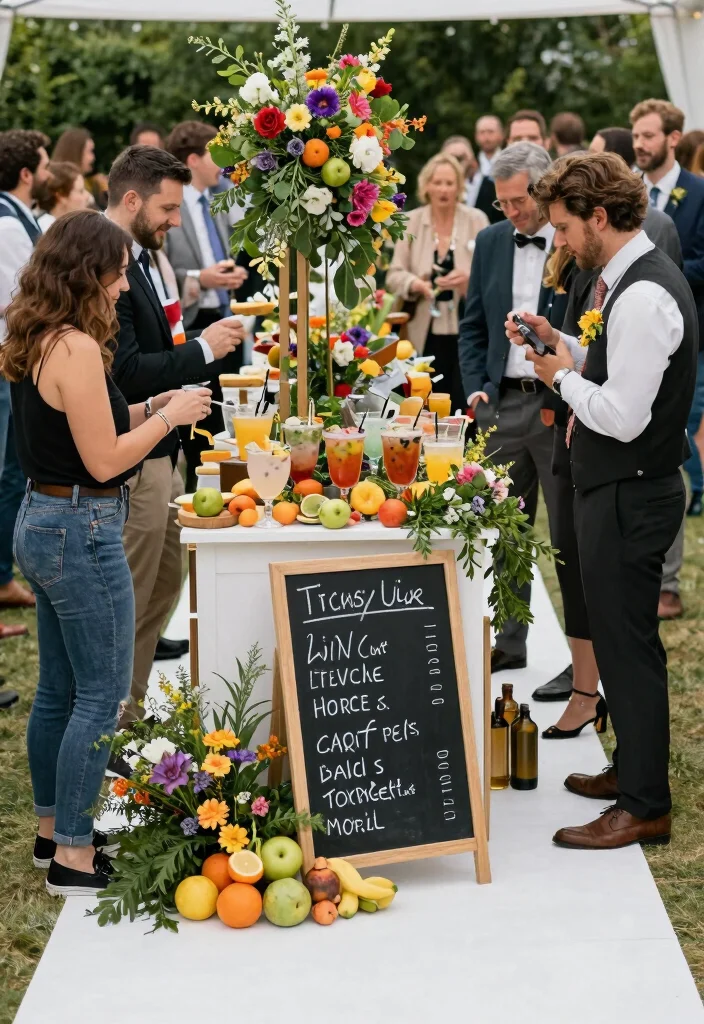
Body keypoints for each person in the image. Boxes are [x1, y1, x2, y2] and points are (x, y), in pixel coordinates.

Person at [2, 209, 211, 892]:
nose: (126, 286)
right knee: (102, 694)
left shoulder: (41, 334)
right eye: (119, 273)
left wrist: (157, 406)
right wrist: (171, 421)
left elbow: (97, 426)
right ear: (89, 271)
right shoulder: (80, 349)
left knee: (59, 690)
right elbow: (103, 458)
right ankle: (74, 854)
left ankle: (49, 834)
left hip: (44, 519)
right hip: (81, 530)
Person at [506, 152, 697, 849]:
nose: (557, 242)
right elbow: (616, 374)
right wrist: (563, 347)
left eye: (561, 228)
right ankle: (633, 772)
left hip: (631, 491)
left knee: (628, 646)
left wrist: (559, 377)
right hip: (616, 488)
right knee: (620, 646)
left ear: (599, 217)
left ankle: (645, 803)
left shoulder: (644, 294)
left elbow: (623, 415)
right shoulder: (623, 283)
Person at [106, 145, 244, 729]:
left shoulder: (142, 256)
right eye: (168, 208)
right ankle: (110, 720)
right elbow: (128, 370)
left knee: (165, 582)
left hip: (165, 447)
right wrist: (205, 351)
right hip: (135, 451)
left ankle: (130, 709)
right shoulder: (106, 262)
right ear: (132, 199)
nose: (176, 221)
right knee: (130, 594)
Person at [458, 142, 573, 681]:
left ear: (543, 187)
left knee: (571, 535)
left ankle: (584, 659)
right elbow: (473, 324)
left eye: (517, 200)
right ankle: (509, 638)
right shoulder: (489, 240)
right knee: (506, 530)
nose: (511, 211)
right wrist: (477, 387)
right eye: (501, 203)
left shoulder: (574, 243)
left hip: (560, 408)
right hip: (501, 406)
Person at [631, 99, 704, 614]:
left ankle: (669, 582)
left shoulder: (698, 193)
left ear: (673, 139)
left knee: (673, 444)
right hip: (630, 341)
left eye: (650, 135)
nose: (641, 144)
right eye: (636, 135)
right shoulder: (624, 192)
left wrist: (660, 273)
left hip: (687, 340)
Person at [164, 120, 249, 481]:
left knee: (225, 423)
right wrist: (202, 278)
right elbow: (161, 271)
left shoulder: (215, 200)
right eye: (218, 155)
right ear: (194, 160)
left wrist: (229, 276)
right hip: (191, 325)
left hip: (223, 315)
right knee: (201, 430)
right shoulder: (172, 205)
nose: (224, 164)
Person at [387, 153, 489, 412]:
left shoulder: (476, 220)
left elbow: (491, 277)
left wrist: (469, 282)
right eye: (438, 182)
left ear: (459, 187)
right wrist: (415, 284)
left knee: (462, 400)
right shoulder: (410, 222)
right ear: (426, 186)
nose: (444, 189)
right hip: (422, 329)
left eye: (450, 183)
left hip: (466, 329)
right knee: (424, 401)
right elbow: (393, 275)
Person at [0, 129, 52, 619]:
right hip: (9, 358)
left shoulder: (16, 217)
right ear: (25, 173)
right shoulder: (9, 225)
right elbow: (24, 297)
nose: (48, 170)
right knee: (7, 471)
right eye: (43, 162)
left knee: (13, 469)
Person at [441, 135, 504, 224]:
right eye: (452, 158)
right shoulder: (435, 189)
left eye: (461, 157)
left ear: (472, 157)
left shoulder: (493, 187)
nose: (457, 162)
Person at [35, 161, 92, 232]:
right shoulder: (46, 229)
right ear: (61, 196)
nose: (87, 196)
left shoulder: (71, 227)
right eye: (81, 191)